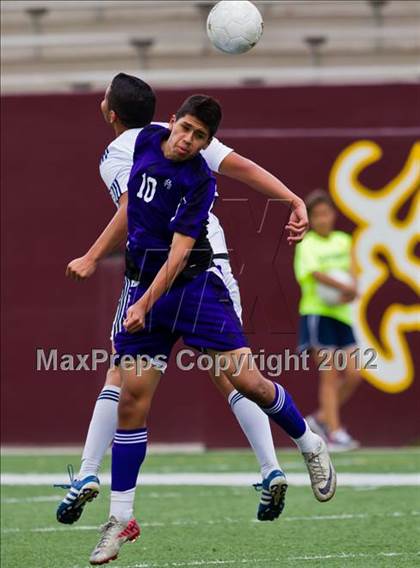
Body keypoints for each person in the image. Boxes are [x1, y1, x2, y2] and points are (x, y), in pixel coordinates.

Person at [87, 95, 336, 565]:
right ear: (173, 122)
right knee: (131, 401)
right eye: (185, 129)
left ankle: (308, 441)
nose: (187, 141)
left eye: (199, 137)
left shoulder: (199, 179)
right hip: (144, 286)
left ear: (207, 142)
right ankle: (120, 519)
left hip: (193, 289)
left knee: (246, 381)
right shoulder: (144, 140)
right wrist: (93, 256)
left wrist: (142, 301)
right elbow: (126, 208)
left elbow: (180, 252)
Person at [57, 72, 304, 527]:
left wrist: (93, 256)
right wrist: (292, 199)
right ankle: (270, 468)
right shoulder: (182, 137)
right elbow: (243, 167)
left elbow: (131, 207)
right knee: (219, 371)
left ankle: (88, 473)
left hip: (180, 265)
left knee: (141, 370)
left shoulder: (124, 149)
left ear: (111, 112)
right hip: (203, 261)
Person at [294, 189, 362, 451]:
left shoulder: (344, 241)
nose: (323, 219)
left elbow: (353, 271)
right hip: (317, 314)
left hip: (342, 316)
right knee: (330, 375)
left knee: (355, 374)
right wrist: (344, 287)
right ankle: (335, 432)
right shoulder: (307, 243)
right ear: (311, 218)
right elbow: (314, 273)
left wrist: (353, 287)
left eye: (327, 213)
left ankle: (321, 419)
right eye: (317, 215)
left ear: (333, 215)